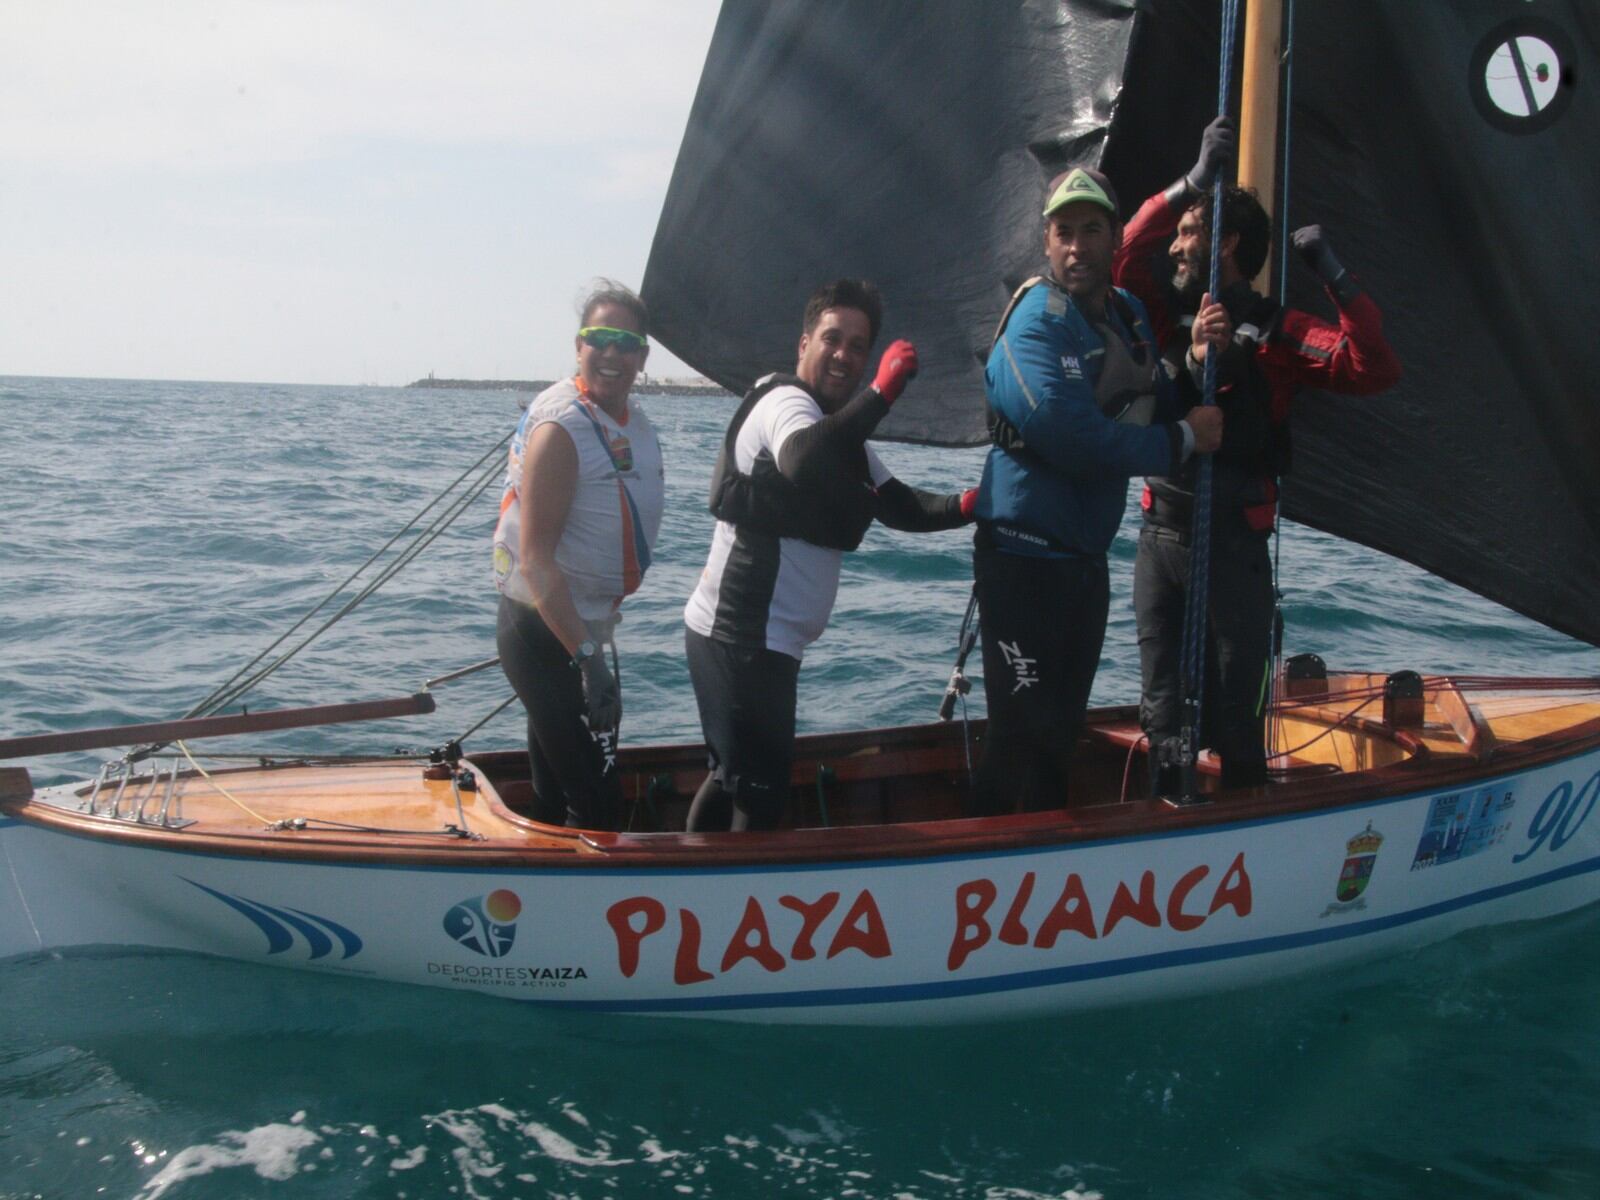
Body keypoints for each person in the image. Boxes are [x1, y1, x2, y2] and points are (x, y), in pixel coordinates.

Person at [1114, 117, 1402, 794]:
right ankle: (1165, 822)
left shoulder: (1277, 334)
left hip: (1234, 550)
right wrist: (1188, 183)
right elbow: (1126, 254)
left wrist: (1331, 273)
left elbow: (1373, 367)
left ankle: (1244, 822)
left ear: (1228, 243)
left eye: (1189, 233)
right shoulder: (1158, 318)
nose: (1176, 248)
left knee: (1239, 713)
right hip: (1160, 540)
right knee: (1163, 711)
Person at [971, 166, 1226, 816]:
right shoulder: (1036, 324)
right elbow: (1074, 437)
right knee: (1018, 738)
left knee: (1059, 738)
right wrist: (1183, 442)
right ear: (1047, 242)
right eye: (1063, 232)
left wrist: (1194, 360)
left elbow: (1154, 399)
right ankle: (987, 877)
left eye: (1091, 230)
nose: (1076, 246)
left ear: (1114, 238)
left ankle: (1049, 876)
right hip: (1022, 570)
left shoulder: (1127, 314)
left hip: (1083, 571)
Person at [683, 279, 975, 832]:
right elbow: (800, 462)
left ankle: (694, 891)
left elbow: (901, 506)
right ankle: (741, 906)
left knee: (731, 779)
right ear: (803, 345)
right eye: (832, 338)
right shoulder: (786, 402)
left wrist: (970, 504)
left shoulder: (840, 436)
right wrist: (882, 394)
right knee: (760, 800)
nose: (844, 354)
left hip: (761, 645)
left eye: (858, 346)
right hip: (741, 641)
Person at [492, 281, 665, 830]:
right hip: (543, 634)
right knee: (596, 802)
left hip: (586, 627)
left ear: (642, 354)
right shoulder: (562, 429)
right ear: (578, 345)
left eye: (625, 341)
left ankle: (537, 898)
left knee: (552, 794)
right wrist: (589, 660)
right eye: (599, 338)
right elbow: (536, 561)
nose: (611, 353)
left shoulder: (627, 417)